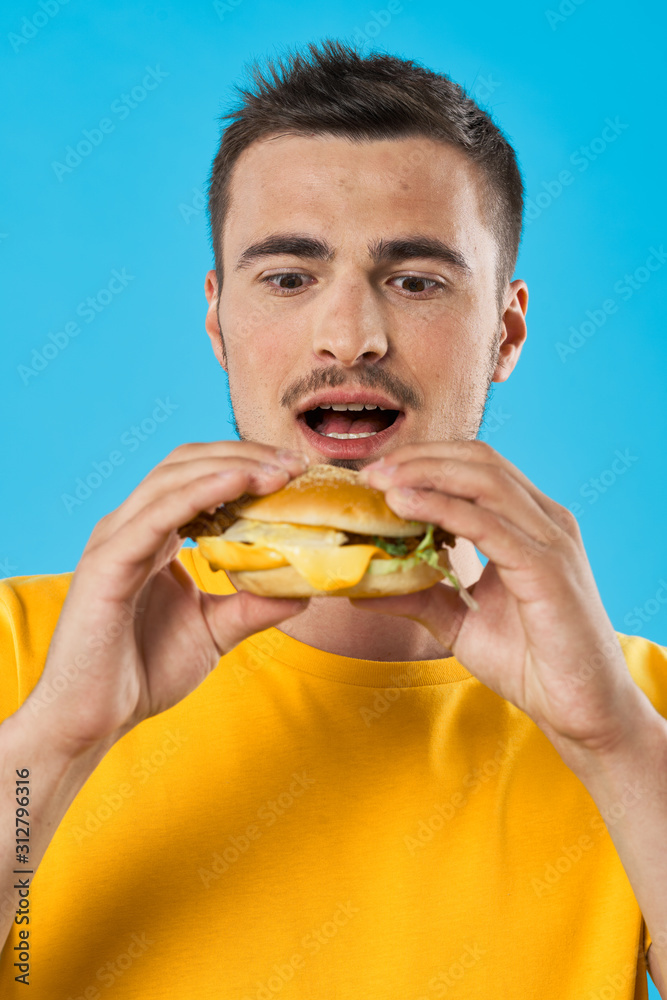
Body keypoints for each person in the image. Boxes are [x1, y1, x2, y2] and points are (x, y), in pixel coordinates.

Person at [0, 38, 665, 999]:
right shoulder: (27, 655)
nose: (349, 335)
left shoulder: (637, 710)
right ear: (217, 320)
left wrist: (614, 747)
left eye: (417, 280)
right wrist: (57, 740)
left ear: (506, 332)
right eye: (287, 277)